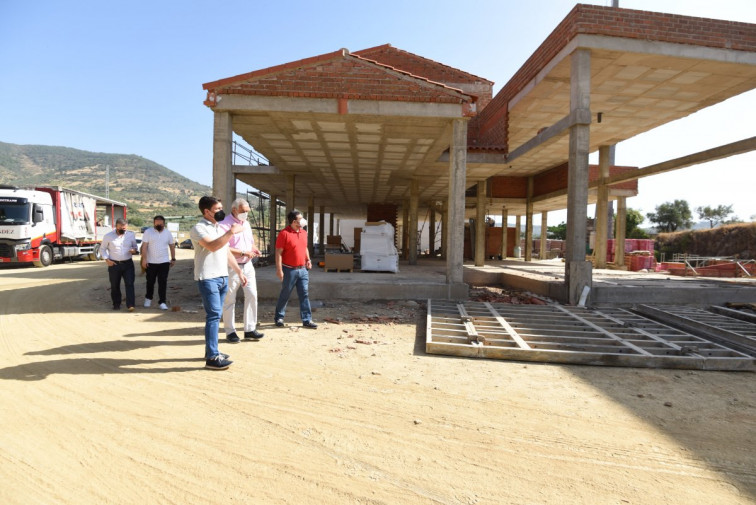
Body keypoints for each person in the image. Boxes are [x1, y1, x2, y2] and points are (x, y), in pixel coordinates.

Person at [190, 196, 247, 370]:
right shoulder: (198, 228)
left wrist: (238, 271)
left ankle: (211, 351)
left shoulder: (217, 227)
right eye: (217, 209)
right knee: (214, 316)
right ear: (206, 211)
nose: (221, 212)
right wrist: (231, 232)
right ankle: (213, 358)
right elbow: (213, 246)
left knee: (216, 315)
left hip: (222, 276)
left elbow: (225, 250)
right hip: (208, 277)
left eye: (222, 207)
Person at [218, 198, 264, 343]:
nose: (246, 215)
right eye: (243, 212)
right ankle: (230, 331)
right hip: (231, 266)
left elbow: (250, 242)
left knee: (252, 295)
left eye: (247, 212)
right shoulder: (224, 225)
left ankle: (250, 329)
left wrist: (253, 248)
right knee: (229, 299)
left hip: (248, 266)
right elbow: (223, 246)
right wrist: (243, 252)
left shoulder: (247, 224)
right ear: (234, 210)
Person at [274, 209, 317, 329]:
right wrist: (279, 269)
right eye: (300, 219)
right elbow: (278, 253)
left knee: (304, 294)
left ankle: (307, 319)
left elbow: (305, 248)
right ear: (294, 221)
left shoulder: (303, 232)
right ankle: (279, 317)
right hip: (289, 270)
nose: (303, 221)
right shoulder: (284, 234)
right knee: (285, 293)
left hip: (303, 270)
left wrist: (308, 259)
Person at [100, 218, 138, 311]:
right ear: (116, 226)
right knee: (114, 285)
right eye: (121, 228)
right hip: (114, 264)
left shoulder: (131, 235)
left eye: (124, 228)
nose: (123, 230)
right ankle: (116, 304)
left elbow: (135, 247)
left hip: (128, 264)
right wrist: (107, 260)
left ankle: (130, 305)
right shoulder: (108, 236)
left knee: (129, 284)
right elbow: (102, 249)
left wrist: (134, 250)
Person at [140, 215, 176, 310]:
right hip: (151, 262)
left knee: (162, 282)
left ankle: (162, 302)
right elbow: (144, 246)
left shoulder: (168, 233)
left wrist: (173, 258)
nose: (158, 225)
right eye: (156, 224)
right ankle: (148, 298)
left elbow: (172, 246)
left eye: (160, 224)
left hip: (164, 262)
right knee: (150, 282)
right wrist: (144, 259)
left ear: (164, 224)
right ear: (154, 223)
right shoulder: (148, 232)